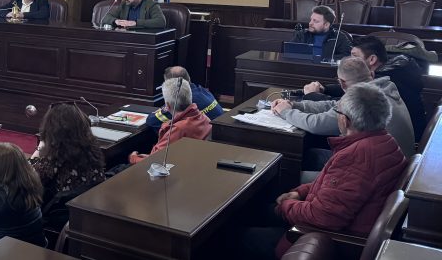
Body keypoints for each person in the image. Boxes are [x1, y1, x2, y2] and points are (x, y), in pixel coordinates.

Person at [239, 83, 407, 259]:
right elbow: (337, 186)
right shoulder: (386, 142)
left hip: (328, 242)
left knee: (241, 235)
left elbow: (322, 217)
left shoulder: (357, 156)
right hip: (334, 226)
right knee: (258, 210)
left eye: (337, 112)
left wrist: (285, 207)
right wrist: (300, 192)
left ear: (345, 120)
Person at [272, 57, 415, 158]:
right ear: (371, 74)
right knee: (312, 154)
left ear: (342, 83)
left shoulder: (363, 101)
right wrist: (296, 105)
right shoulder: (382, 88)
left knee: (292, 167)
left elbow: (316, 124)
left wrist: (286, 112)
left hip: (375, 171)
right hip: (394, 163)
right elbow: (334, 105)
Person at [29, 103, 105, 230]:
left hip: (54, 224)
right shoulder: (93, 150)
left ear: (53, 131)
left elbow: (25, 177)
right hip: (86, 216)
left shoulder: (54, 160)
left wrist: (39, 149)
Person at [129, 77, 211, 164]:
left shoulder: (178, 129)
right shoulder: (204, 118)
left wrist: (133, 158)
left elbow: (155, 162)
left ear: (167, 106)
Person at [146, 66, 223, 132]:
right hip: (218, 132)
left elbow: (152, 121)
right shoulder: (202, 90)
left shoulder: (184, 100)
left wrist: (162, 109)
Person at [99, 0, 167, 29]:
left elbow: (161, 22)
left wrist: (136, 23)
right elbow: (106, 17)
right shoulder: (124, 4)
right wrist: (116, 21)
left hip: (144, 39)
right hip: (125, 38)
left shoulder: (151, 5)